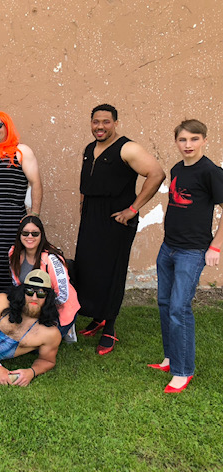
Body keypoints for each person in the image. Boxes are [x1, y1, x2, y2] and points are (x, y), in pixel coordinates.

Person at [75, 104, 165, 355]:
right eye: (95, 122)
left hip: (117, 219)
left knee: (112, 271)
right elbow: (86, 184)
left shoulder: (128, 148)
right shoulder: (89, 149)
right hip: (92, 216)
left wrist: (133, 209)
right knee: (89, 267)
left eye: (105, 122)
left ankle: (110, 327)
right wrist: (83, 208)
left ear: (115, 123)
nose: (100, 126)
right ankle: (97, 316)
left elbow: (156, 174)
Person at [150, 119, 223, 393]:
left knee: (180, 307)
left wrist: (215, 247)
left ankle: (183, 371)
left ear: (204, 140)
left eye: (194, 139)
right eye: (183, 140)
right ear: (176, 142)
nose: (188, 145)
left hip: (192, 251)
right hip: (168, 247)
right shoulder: (177, 169)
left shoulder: (211, 172)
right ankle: (171, 358)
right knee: (165, 303)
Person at [0, 111, 43, 294]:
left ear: (7, 128)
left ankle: (13, 305)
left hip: (13, 221)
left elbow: (36, 183)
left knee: (12, 263)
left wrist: (34, 216)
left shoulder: (21, 151)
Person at [8, 216, 79, 337]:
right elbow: (17, 284)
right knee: (12, 332)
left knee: (35, 343)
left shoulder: (52, 259)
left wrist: (42, 305)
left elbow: (63, 295)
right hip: (31, 302)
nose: (30, 237)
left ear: (41, 235)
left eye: (35, 234)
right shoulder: (14, 253)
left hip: (54, 308)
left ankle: (68, 326)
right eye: (25, 233)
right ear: (19, 235)